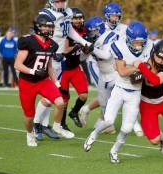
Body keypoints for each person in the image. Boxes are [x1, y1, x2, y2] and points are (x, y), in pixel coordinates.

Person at [83, 21, 153, 163]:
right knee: (108, 120)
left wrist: (139, 68)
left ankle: (114, 151)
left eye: (141, 42)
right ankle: (93, 134)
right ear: (128, 39)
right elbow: (122, 71)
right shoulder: (119, 46)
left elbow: (150, 66)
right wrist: (139, 67)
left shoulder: (150, 45)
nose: (139, 45)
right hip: (120, 89)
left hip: (135, 93)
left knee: (126, 129)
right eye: (136, 42)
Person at [80, 2, 143, 136]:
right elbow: (87, 55)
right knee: (105, 97)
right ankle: (103, 120)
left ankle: (125, 122)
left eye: (117, 16)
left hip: (115, 64)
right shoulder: (99, 28)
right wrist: (87, 48)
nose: (115, 19)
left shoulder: (124, 28)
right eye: (113, 16)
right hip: (99, 66)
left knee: (120, 92)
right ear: (106, 16)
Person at [33, 0, 92, 140]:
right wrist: (49, 52)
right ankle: (37, 125)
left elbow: (68, 31)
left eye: (62, 1)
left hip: (60, 60)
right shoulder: (46, 14)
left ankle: (45, 125)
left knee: (51, 95)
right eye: (58, 1)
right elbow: (40, 35)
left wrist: (84, 42)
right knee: (49, 95)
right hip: (49, 58)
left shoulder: (68, 13)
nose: (60, 4)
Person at [14, 14, 69, 147]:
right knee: (29, 116)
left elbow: (49, 65)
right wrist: (32, 71)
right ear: (39, 27)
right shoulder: (28, 41)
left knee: (60, 102)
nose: (50, 29)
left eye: (51, 27)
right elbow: (18, 64)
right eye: (47, 26)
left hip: (43, 81)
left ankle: (57, 126)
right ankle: (29, 134)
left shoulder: (52, 44)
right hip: (27, 82)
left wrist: (56, 82)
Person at [59, 7, 88, 130]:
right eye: (75, 18)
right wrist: (77, 46)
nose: (78, 20)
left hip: (75, 68)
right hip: (64, 69)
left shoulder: (84, 31)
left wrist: (87, 48)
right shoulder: (66, 32)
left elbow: (84, 51)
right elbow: (65, 51)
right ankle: (62, 123)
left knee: (84, 95)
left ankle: (74, 112)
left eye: (80, 18)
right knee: (64, 100)